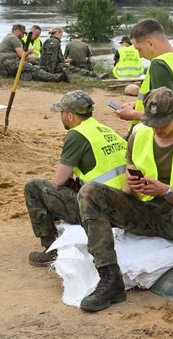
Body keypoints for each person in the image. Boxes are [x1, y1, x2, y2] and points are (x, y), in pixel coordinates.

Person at [77, 87, 173, 324]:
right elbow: (128, 195)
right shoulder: (138, 136)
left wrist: (165, 191)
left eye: (162, 122)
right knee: (89, 191)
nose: (157, 129)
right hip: (143, 213)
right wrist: (133, 187)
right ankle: (110, 279)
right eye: (152, 122)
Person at [23, 90, 127, 266]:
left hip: (99, 210)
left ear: (70, 115)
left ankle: (51, 248)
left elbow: (59, 181)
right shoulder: (105, 130)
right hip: (123, 205)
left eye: (62, 113)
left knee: (34, 187)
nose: (61, 117)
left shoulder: (77, 134)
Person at [114, 18, 173, 127]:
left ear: (150, 43)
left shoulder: (160, 64)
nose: (140, 56)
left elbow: (162, 114)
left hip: (161, 133)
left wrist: (133, 114)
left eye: (139, 49)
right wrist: (138, 105)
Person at [0, 23, 67, 82]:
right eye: (23, 33)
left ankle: (27, 76)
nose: (24, 35)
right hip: (11, 62)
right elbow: (22, 55)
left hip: (9, 61)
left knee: (31, 68)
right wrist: (29, 52)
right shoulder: (13, 38)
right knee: (33, 69)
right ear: (18, 31)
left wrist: (36, 58)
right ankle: (55, 78)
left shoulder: (9, 36)